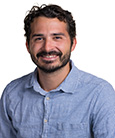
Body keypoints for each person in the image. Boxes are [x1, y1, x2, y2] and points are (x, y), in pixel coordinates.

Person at [0, 4, 115, 138]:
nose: (47, 47)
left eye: (57, 37)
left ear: (73, 43)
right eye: (39, 38)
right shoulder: (11, 94)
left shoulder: (99, 94)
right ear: (28, 46)